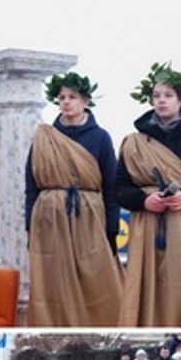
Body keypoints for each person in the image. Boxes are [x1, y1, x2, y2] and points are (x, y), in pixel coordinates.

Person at [115, 62, 181, 326]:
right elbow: (118, 188)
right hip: (147, 228)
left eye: (168, 95)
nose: (161, 101)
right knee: (147, 287)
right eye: (156, 96)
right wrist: (143, 200)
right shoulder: (133, 144)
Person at [23, 72, 123, 325]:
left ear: (86, 101)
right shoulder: (44, 137)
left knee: (94, 276)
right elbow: (31, 183)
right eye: (62, 97)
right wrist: (29, 223)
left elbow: (111, 185)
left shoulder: (100, 137)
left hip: (88, 215)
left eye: (73, 97)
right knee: (54, 278)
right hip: (50, 217)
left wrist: (112, 227)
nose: (66, 102)